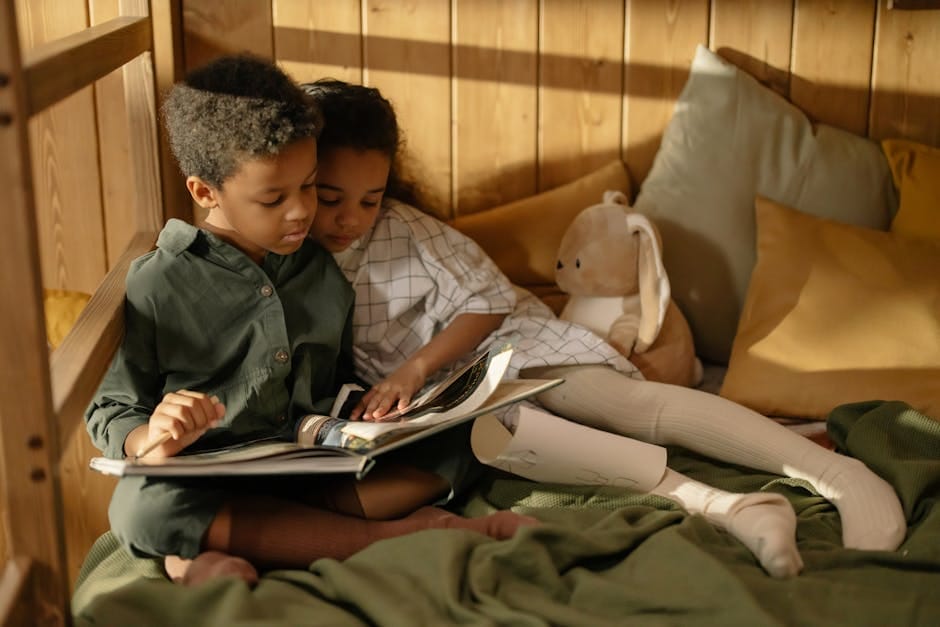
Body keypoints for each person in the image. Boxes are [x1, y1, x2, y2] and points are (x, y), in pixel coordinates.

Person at [302, 78, 908, 579]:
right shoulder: (293, 253)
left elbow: (487, 301)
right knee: (548, 449)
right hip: (448, 405)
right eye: (331, 199)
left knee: (625, 407)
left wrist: (415, 367)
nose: (350, 219)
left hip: (507, 345)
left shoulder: (408, 230)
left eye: (369, 200)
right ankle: (738, 510)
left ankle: (838, 475)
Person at [84, 55, 536, 588]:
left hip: (313, 468)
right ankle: (394, 536)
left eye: (309, 187)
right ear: (206, 193)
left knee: (468, 437)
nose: (301, 212)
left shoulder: (321, 270)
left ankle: (208, 555)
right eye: (274, 198)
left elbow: (337, 377)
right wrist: (149, 436)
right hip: (210, 476)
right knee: (140, 508)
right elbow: (111, 409)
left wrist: (380, 415)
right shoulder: (157, 283)